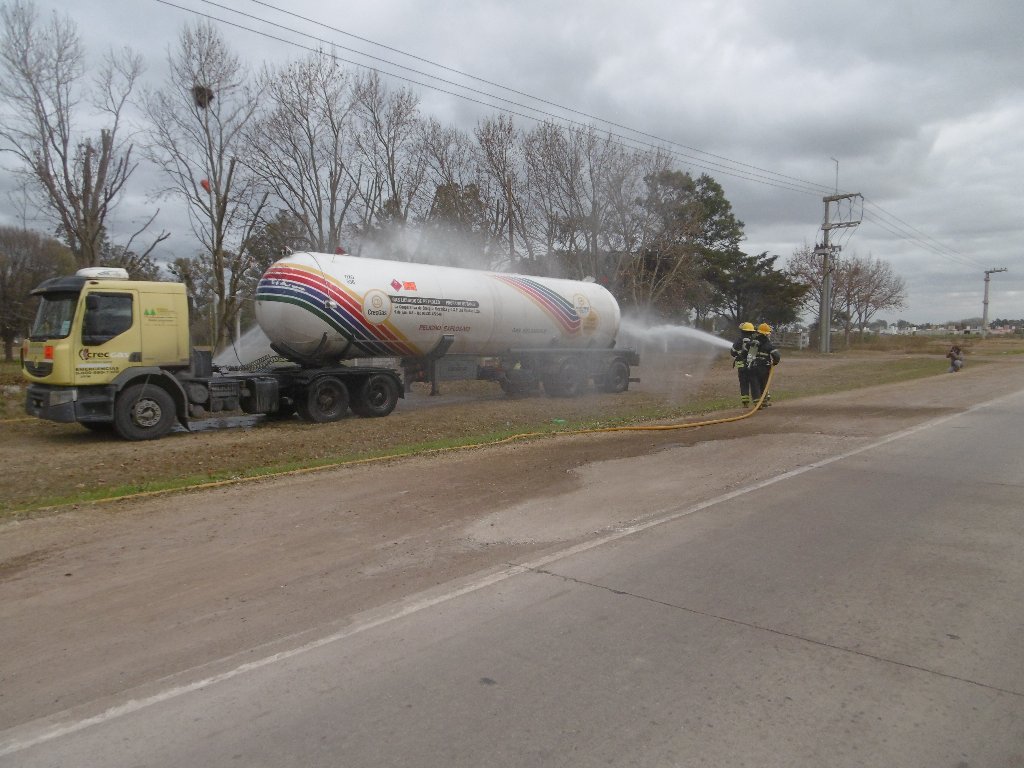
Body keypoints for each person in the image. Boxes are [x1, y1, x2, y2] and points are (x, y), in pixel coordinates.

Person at [751, 323, 782, 406]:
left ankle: (757, 403)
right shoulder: (768, 344)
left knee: (755, 384)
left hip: (753, 367)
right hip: (764, 367)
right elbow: (777, 356)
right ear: (766, 334)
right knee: (763, 384)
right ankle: (763, 402)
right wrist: (775, 362)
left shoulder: (754, 342)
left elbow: (750, 355)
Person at [730, 322, 760, 407]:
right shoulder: (754, 341)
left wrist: (738, 353)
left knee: (744, 384)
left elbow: (732, 352)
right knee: (754, 383)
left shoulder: (738, 341)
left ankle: (745, 403)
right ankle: (757, 402)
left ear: (742, 331)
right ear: (751, 332)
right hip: (752, 366)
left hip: (741, 367)